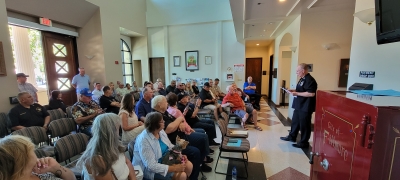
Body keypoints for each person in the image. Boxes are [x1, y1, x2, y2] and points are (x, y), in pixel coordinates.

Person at [151, 95, 212, 176]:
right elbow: (168, 129)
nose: (167, 103)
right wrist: (179, 120)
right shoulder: (156, 116)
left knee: (201, 139)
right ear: (159, 104)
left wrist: (180, 123)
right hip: (174, 142)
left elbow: (175, 122)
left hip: (181, 136)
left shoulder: (164, 112)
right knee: (195, 151)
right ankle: (195, 174)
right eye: (165, 102)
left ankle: (201, 163)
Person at [133, 112, 193, 180]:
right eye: (161, 121)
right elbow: (151, 166)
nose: (164, 121)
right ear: (155, 125)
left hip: (166, 159)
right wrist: (174, 168)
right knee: (182, 175)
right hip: (151, 169)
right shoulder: (143, 140)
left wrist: (180, 156)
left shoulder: (160, 131)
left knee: (189, 166)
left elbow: (170, 146)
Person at [77, 113, 137, 180]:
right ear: (111, 132)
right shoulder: (97, 159)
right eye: (118, 129)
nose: (119, 133)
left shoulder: (114, 144)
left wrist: (133, 178)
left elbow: (127, 161)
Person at [0, 135, 76, 180]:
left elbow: (72, 178)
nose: (34, 153)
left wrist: (56, 167)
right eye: (30, 151)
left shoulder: (37, 170)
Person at [280, 63, 318, 148]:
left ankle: (304, 142)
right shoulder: (301, 79)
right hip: (299, 104)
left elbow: (311, 94)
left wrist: (296, 93)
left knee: (304, 124)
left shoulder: (310, 80)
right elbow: (301, 90)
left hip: (306, 106)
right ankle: (292, 136)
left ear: (303, 71)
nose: (296, 73)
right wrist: (292, 90)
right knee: (295, 121)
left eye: (297, 71)